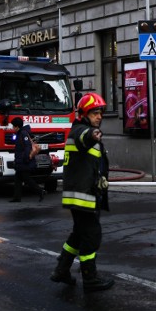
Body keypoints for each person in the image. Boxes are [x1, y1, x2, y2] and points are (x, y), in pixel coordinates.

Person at [50, 92, 114, 293]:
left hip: (83, 194)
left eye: (100, 113)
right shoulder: (81, 131)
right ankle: (90, 277)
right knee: (92, 235)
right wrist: (93, 134)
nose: (99, 116)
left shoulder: (80, 129)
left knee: (78, 235)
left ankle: (61, 270)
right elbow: (85, 138)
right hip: (83, 197)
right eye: (94, 113)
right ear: (84, 114)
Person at [9, 117, 45, 203]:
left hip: (24, 161)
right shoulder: (20, 133)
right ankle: (17, 198)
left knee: (27, 179)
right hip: (21, 161)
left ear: (17, 127)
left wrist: (25, 158)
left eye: (13, 126)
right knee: (18, 179)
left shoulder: (23, 134)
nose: (12, 128)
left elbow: (27, 147)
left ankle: (40, 191)